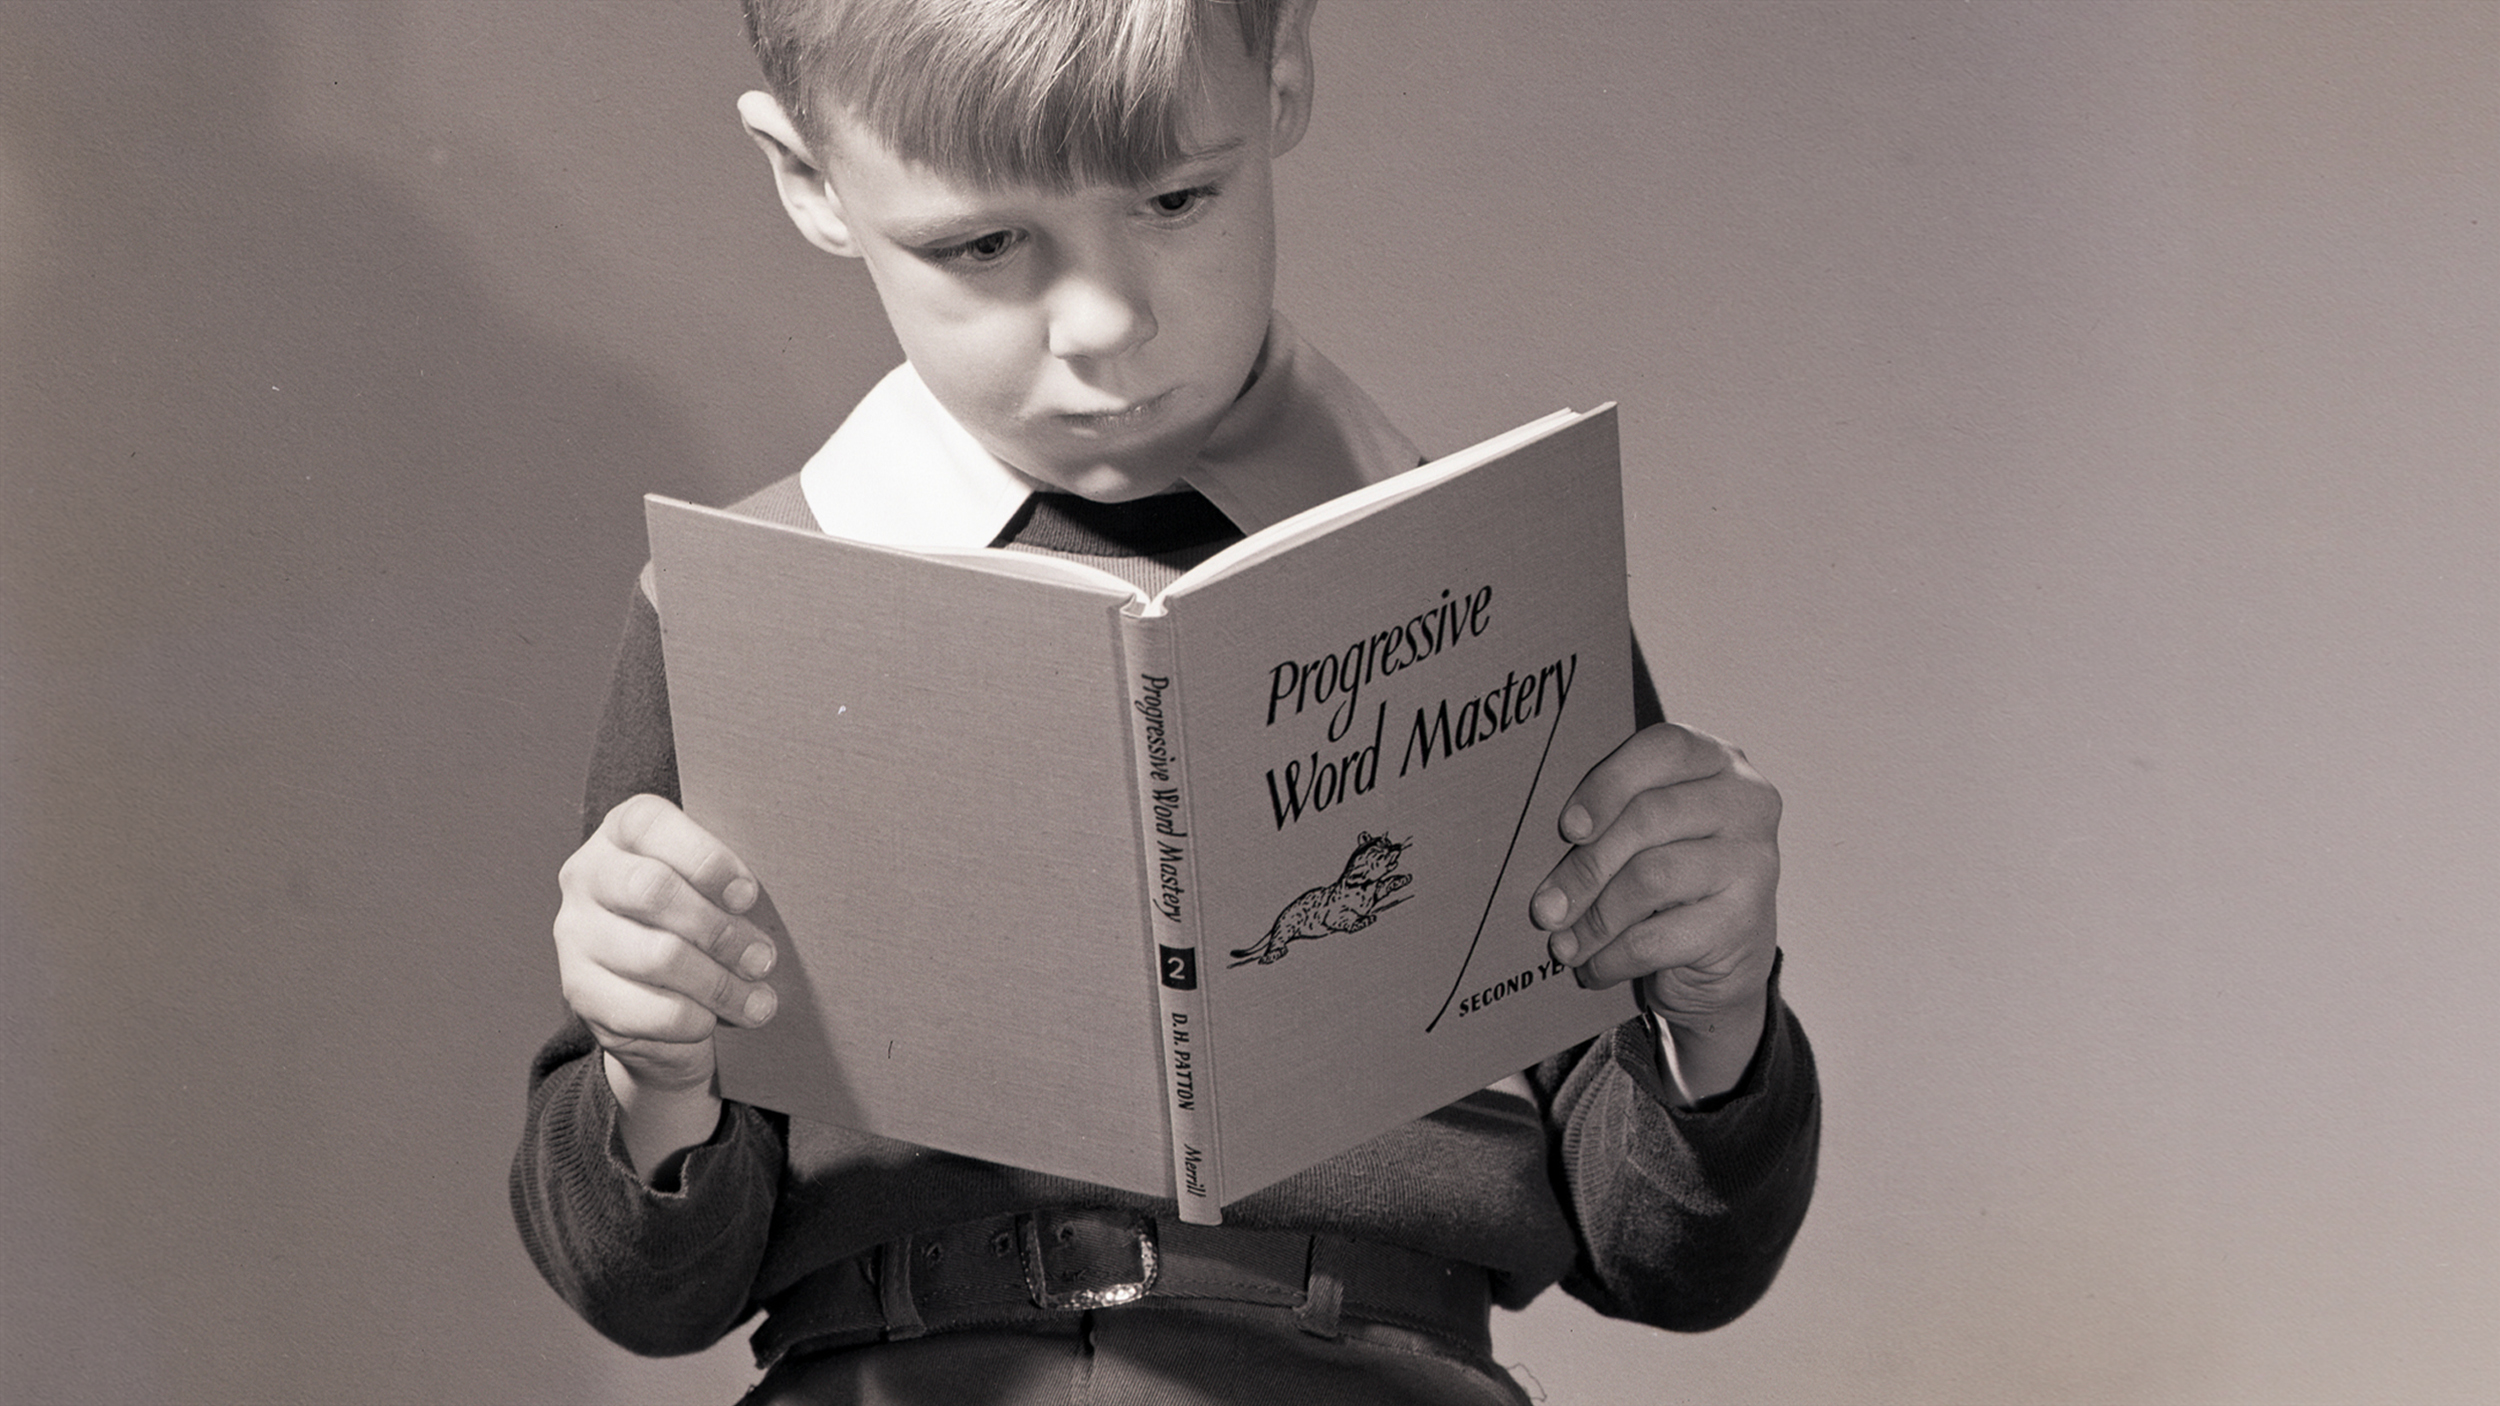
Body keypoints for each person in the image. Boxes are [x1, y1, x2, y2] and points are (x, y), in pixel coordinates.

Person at [511, 2, 1818, 1400]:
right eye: (984, 244)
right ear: (810, 181)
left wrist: (1719, 1009)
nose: (1108, 324)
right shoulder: (744, 612)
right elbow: (644, 1290)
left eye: (1177, 197)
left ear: (1286, 77)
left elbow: (1679, 1261)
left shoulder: (1482, 579)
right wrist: (653, 1075)